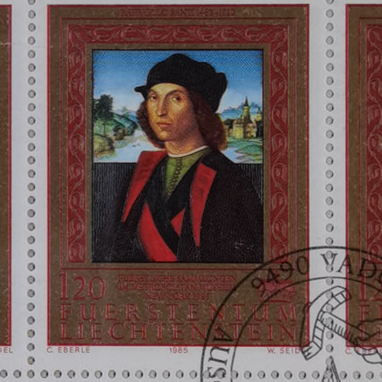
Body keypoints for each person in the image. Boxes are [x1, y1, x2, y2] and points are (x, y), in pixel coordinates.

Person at [97, 52, 264, 265]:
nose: (160, 110)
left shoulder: (229, 179)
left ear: (199, 109)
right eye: (153, 98)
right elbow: (109, 254)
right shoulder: (138, 174)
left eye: (176, 98)